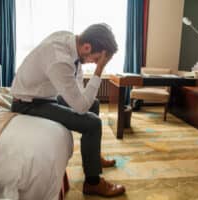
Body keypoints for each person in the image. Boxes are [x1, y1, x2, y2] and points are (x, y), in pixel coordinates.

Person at [10, 23, 126, 197]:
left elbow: (79, 88)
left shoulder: (70, 40)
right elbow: (80, 107)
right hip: (29, 104)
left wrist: (83, 96)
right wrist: (99, 69)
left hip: (45, 95)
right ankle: (92, 183)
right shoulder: (60, 60)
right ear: (87, 47)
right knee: (93, 123)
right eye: (96, 59)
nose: (94, 63)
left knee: (93, 104)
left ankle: (93, 157)